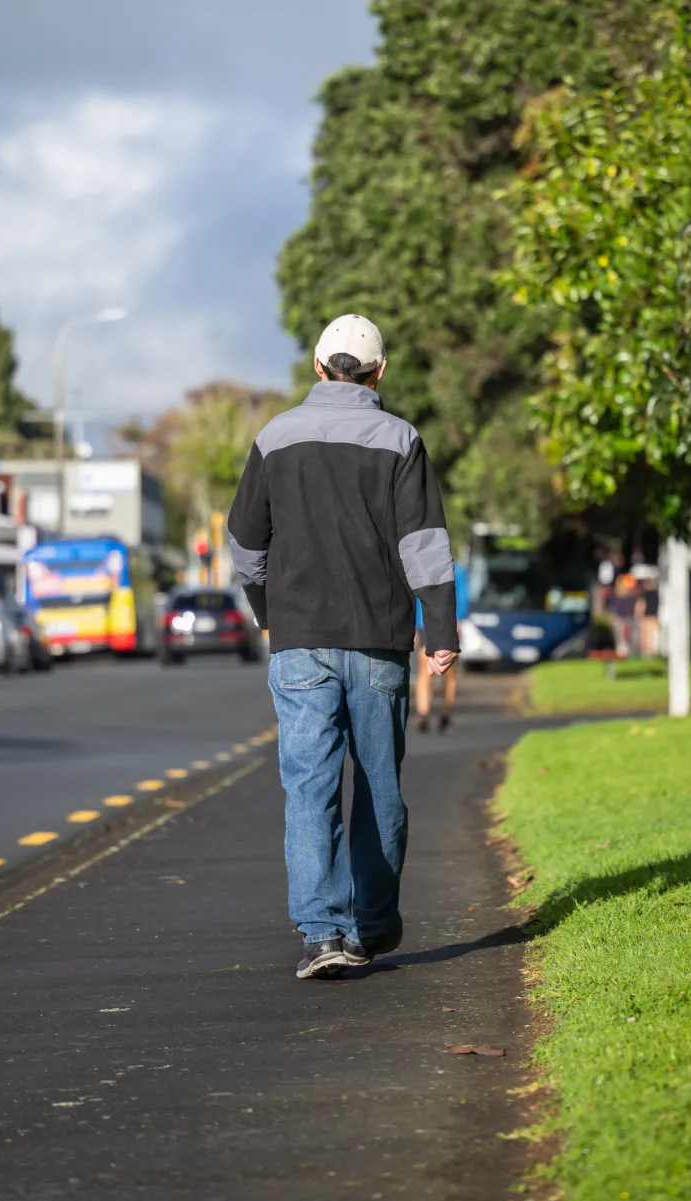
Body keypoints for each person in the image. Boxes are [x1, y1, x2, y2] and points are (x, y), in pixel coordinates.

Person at [228, 314, 459, 980]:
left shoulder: (274, 438)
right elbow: (424, 545)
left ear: (317, 367)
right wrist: (439, 630)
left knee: (310, 787)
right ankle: (373, 923)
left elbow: (247, 546)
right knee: (379, 786)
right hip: (379, 640)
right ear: (379, 371)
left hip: (300, 643)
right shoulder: (400, 439)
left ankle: (323, 933)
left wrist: (271, 612)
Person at [414, 560, 470, 732]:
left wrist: (458, 619)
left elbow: (462, 597)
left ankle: (444, 712)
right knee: (426, 667)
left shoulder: (456, 570)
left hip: (446, 623)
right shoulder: (420, 567)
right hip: (426, 624)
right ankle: (425, 713)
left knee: (448, 669)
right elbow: (416, 599)